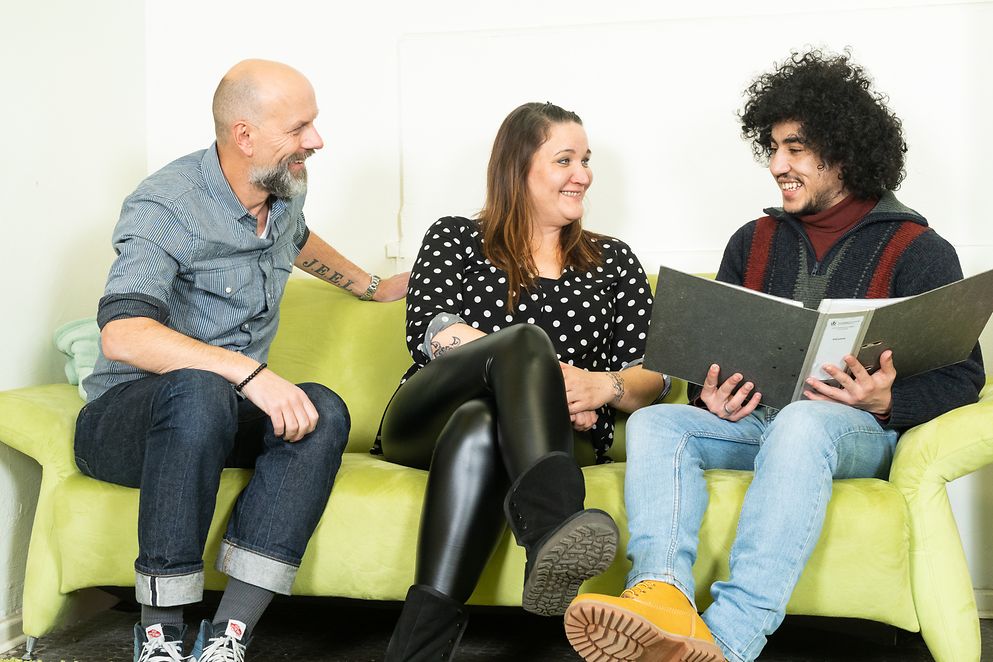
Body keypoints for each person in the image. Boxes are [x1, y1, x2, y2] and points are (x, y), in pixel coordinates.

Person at [565, 49, 985, 662]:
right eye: (772, 148)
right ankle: (660, 598)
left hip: (853, 433)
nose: (776, 165)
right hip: (763, 423)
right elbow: (704, 364)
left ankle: (729, 639)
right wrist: (709, 394)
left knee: (805, 419)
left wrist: (889, 399)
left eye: (794, 149)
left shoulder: (920, 249)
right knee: (658, 423)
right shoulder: (751, 241)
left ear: (842, 152)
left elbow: (966, 378)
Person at [74, 59, 408, 662]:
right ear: (244, 135)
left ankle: (228, 637)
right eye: (299, 127)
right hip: (128, 424)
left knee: (322, 410)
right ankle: (160, 635)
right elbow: (122, 335)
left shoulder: (279, 192)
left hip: (217, 417)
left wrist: (369, 285)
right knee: (200, 388)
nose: (316, 140)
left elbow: (296, 238)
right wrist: (251, 374)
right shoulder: (166, 205)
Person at [376, 101, 668, 660]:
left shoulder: (613, 262)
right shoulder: (456, 237)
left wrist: (603, 386)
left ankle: (417, 647)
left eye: (586, 160)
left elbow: (650, 376)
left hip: (551, 435)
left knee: (482, 423)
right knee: (524, 342)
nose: (582, 174)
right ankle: (552, 524)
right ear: (517, 169)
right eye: (564, 159)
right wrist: (541, 379)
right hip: (424, 419)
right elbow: (433, 332)